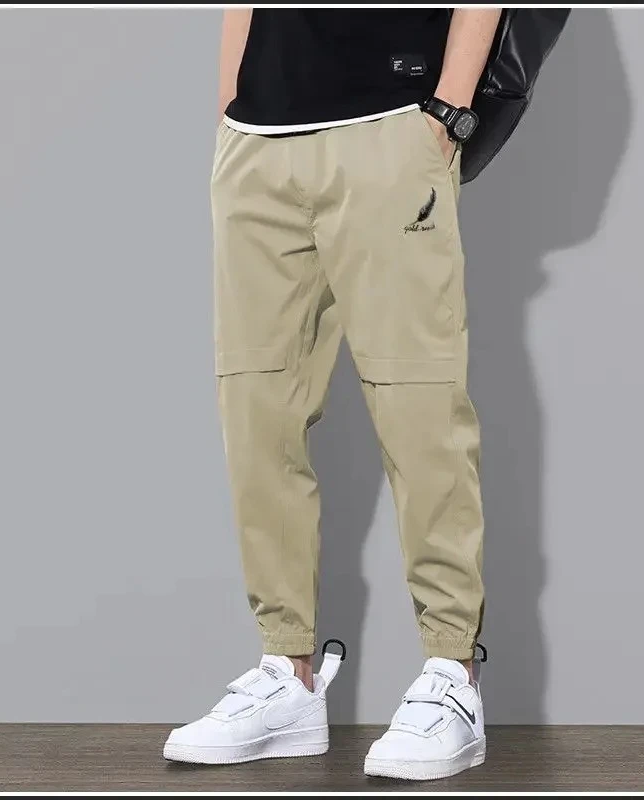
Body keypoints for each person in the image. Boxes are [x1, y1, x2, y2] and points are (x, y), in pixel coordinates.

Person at [164, 7, 502, 781]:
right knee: (257, 410)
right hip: (257, 140)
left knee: (419, 405)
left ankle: (453, 671)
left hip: (393, 125)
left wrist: (447, 111)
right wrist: (230, 111)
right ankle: (287, 673)